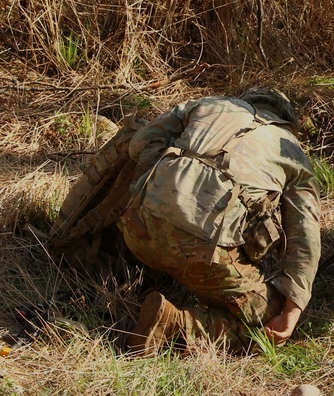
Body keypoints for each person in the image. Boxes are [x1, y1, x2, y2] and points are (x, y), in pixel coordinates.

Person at [118, 88, 321, 354]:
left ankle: (134, 278)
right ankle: (175, 325)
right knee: (268, 317)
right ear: (286, 121)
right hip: (204, 257)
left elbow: (137, 145)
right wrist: (292, 309)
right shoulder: (291, 151)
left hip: (137, 230)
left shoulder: (206, 104)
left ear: (244, 101)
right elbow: (305, 236)